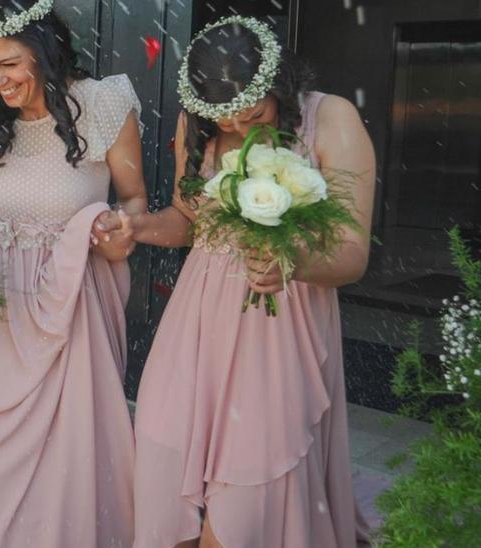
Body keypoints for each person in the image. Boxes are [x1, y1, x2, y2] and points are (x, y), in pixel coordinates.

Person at [120, 16, 377, 548]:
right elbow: (188, 220)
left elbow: (351, 254)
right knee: (163, 450)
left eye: (252, 112)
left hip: (279, 324)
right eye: (224, 118)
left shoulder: (331, 119)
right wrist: (138, 227)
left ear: (278, 84)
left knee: (248, 483)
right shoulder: (199, 124)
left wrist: (292, 264)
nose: (237, 125)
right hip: (195, 323)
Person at [0, 0, 146, 544]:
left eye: (9, 64)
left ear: (44, 51)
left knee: (65, 460)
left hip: (73, 308)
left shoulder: (102, 104)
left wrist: (122, 227)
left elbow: (137, 199)